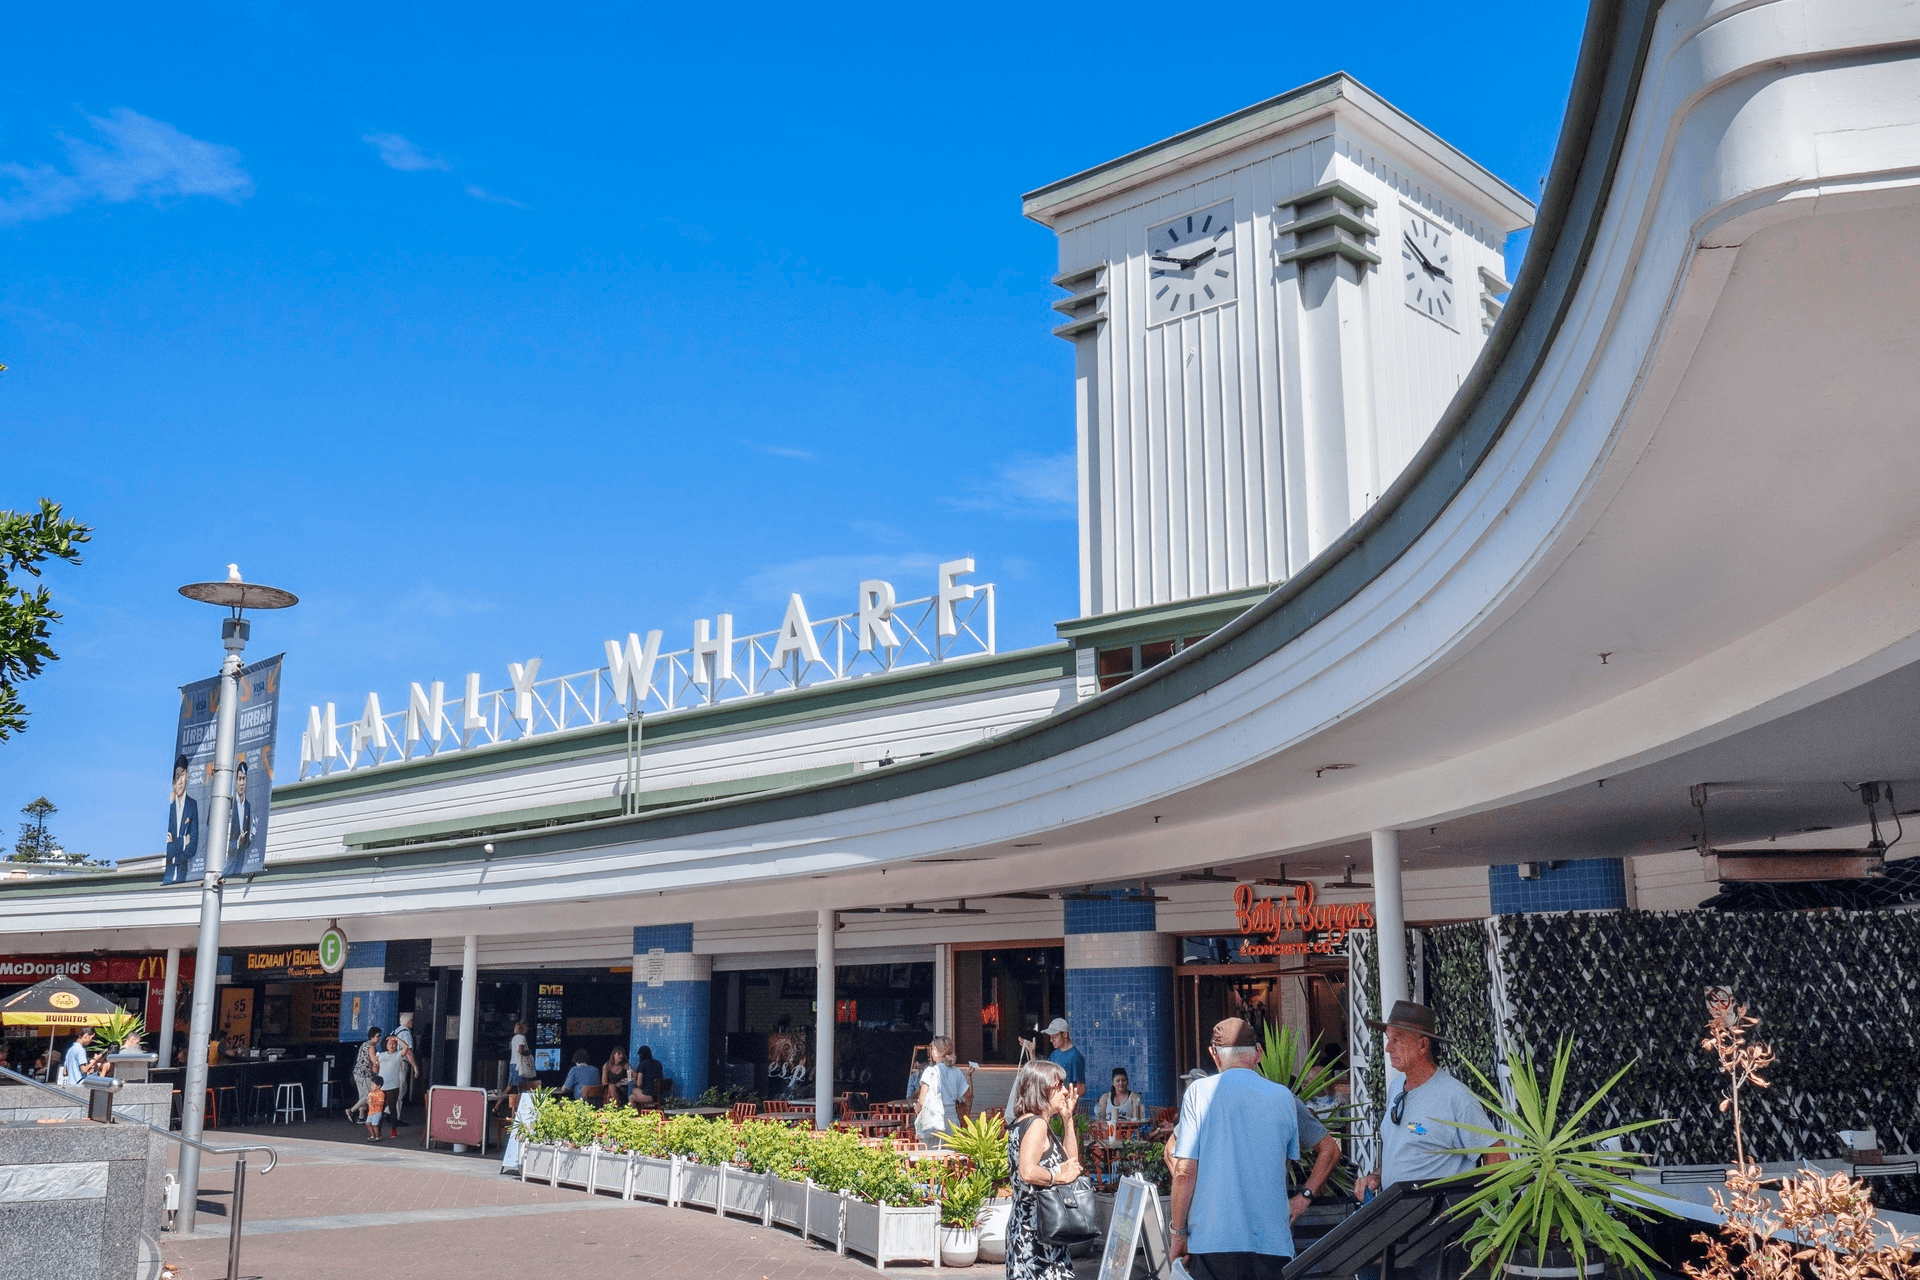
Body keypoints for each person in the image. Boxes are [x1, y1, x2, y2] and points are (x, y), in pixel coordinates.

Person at [1168, 1018, 1339, 1280]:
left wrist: (1178, 1233)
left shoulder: (1198, 1094)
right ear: (1258, 1053)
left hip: (1211, 1243)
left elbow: (1183, 1171)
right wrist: (1304, 1196)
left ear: (1214, 1055)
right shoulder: (1284, 1098)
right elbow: (1330, 1149)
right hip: (1271, 1245)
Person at [1353, 1001, 1504, 1215]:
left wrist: (1474, 1218)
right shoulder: (1396, 1087)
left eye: (1398, 1039)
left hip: (1435, 1230)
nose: (1388, 1048)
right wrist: (1377, 1175)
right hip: (1396, 1223)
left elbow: (1498, 1157)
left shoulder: (1455, 1097)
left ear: (1423, 1045)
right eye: (1388, 1039)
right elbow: (1403, 1149)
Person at [1003, 1058, 1082, 1280]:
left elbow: (1071, 1164)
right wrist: (1056, 1177)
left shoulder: (1028, 1122)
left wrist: (1068, 1120)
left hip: (1039, 1229)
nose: (1066, 1091)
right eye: (1059, 1086)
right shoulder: (1036, 1124)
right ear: (1042, 1089)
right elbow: (1027, 1171)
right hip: (1035, 1233)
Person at [910, 1035, 974, 1145]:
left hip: (933, 1122)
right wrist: (969, 1077)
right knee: (951, 1157)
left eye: (933, 1049)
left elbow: (921, 1101)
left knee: (931, 1157)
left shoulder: (930, 1072)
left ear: (936, 1051)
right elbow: (969, 1096)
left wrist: (917, 1108)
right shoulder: (957, 1072)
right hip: (952, 1121)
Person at [163, 754, 199, 886]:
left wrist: (175, 857)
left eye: (182, 775)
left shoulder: (192, 805)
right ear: (173, 781)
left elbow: (193, 844)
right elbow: (167, 845)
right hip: (167, 875)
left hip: (184, 874)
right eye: (177, 776)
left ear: (187, 776)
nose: (180, 781)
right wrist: (184, 840)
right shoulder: (169, 806)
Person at [371, 1034, 412, 1137]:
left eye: (394, 1044)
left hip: (393, 1085)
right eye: (390, 1043)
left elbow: (406, 1047)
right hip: (381, 1086)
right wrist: (375, 1065)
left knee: (392, 1108)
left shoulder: (398, 1055)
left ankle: (393, 1129)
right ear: (386, 1044)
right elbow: (376, 1068)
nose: (392, 1046)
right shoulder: (381, 1055)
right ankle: (378, 1131)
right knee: (379, 1109)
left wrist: (397, 1038)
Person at [1042, 1018, 1085, 1099]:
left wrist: (1065, 1100)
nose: (1051, 1040)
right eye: (1050, 1037)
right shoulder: (1054, 1055)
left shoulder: (1076, 1056)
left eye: (1054, 1036)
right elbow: (1043, 1076)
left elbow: (1081, 1088)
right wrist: (1032, 1052)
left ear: (1065, 1034)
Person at [348, 1026, 383, 1122]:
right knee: (368, 1095)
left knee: (362, 1095)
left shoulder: (364, 1044)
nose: (379, 1038)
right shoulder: (371, 1046)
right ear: (372, 1036)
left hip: (357, 1073)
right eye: (377, 1036)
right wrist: (378, 1062)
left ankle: (361, 1116)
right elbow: (373, 1060)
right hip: (365, 1074)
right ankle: (351, 1110)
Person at [508, 1021, 537, 1087]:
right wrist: (528, 1052)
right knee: (521, 1086)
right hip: (520, 1064)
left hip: (513, 1063)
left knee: (511, 1086)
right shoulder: (522, 1038)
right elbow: (521, 1051)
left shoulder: (514, 1038)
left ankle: (500, 1096)